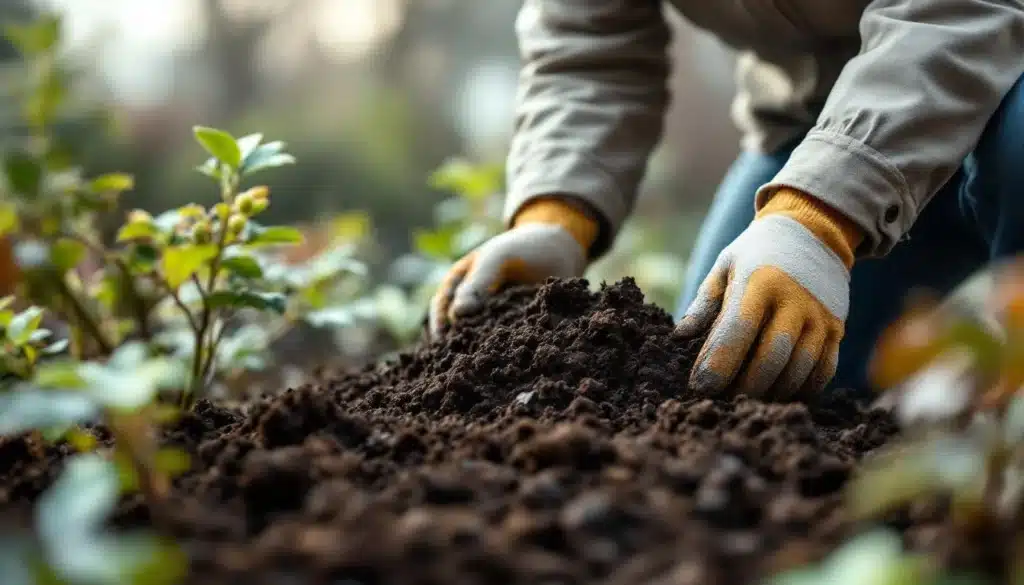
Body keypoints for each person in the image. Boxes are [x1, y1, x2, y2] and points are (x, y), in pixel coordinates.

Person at [428, 0, 1024, 401]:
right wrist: (557, 215)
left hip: (1001, 76)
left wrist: (819, 216)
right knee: (719, 379)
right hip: (817, 123)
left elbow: (962, 9)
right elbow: (587, 46)